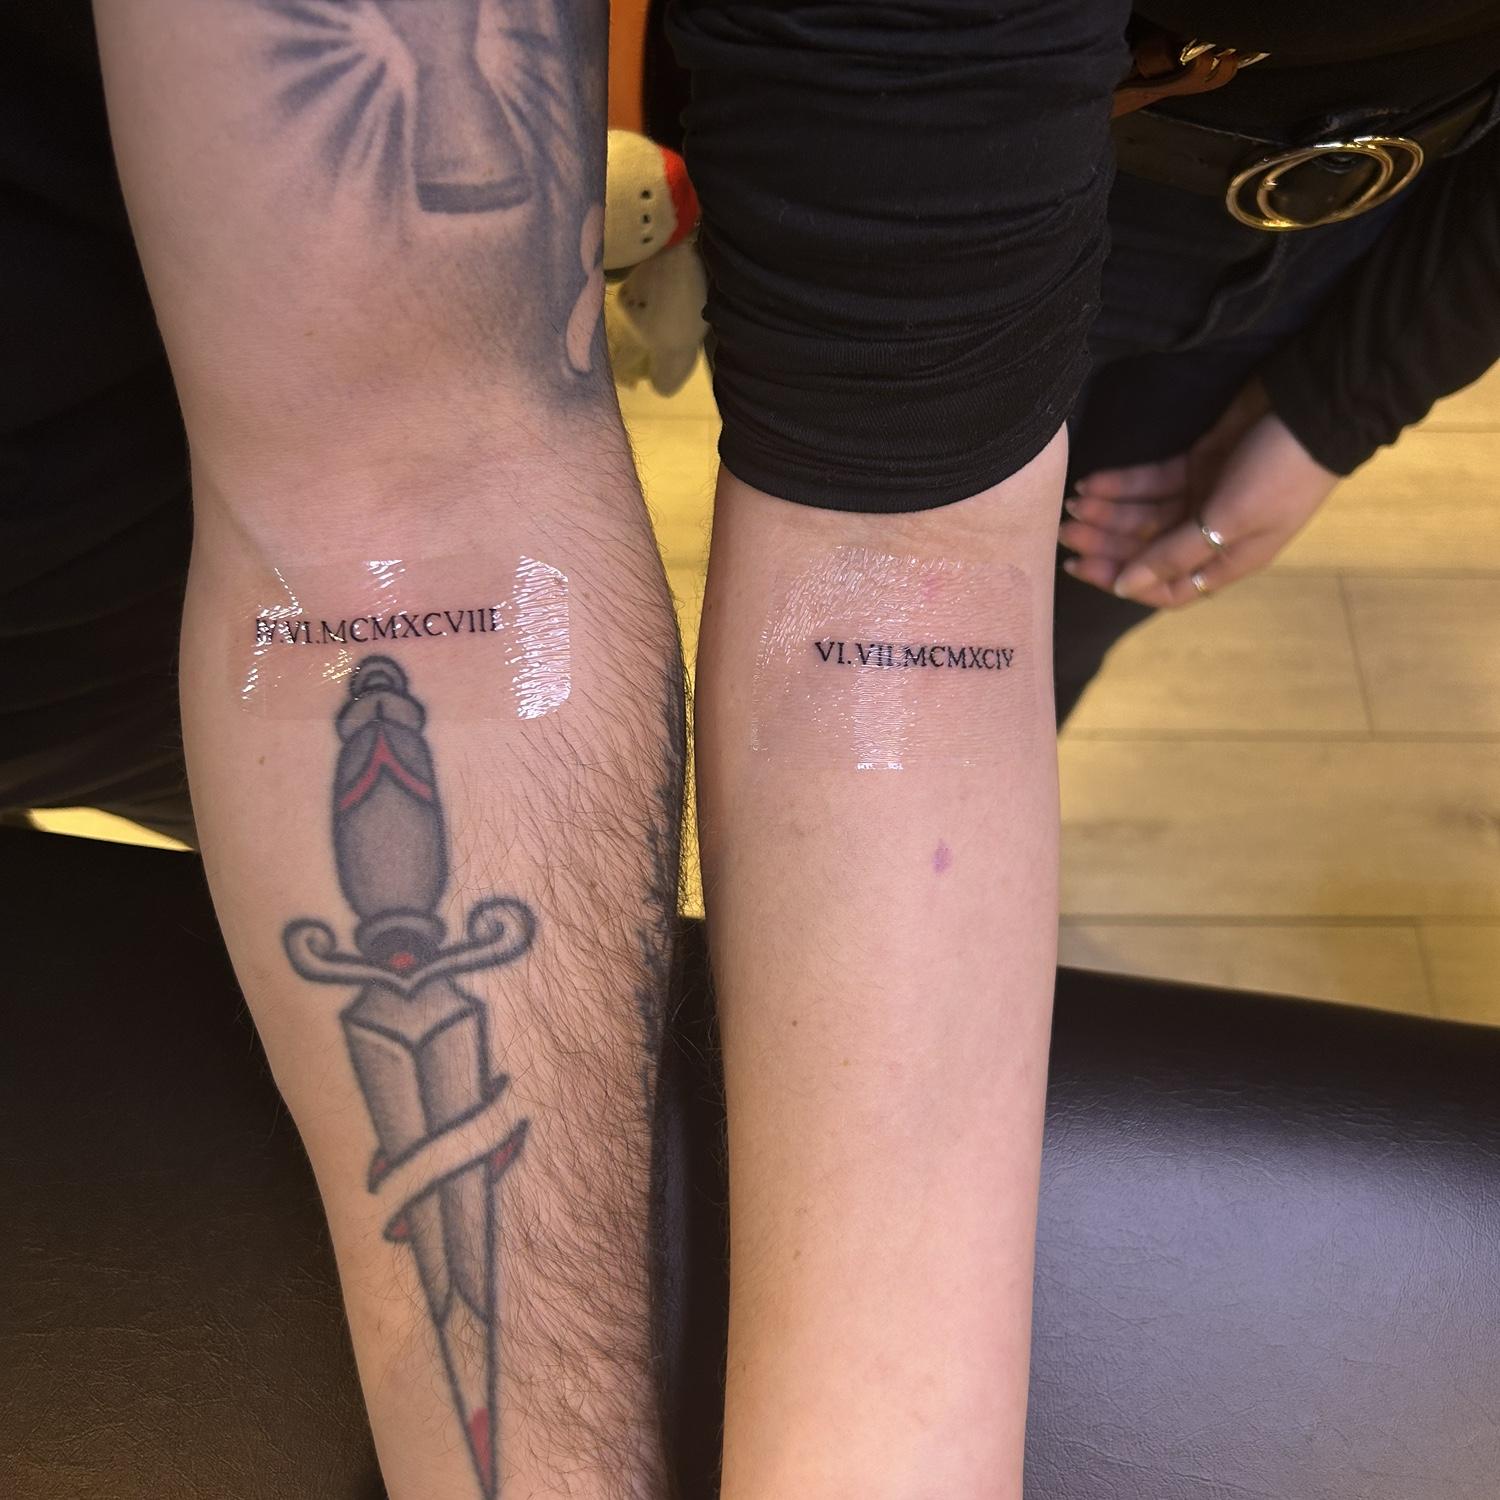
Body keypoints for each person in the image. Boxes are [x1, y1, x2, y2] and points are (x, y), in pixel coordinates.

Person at [1, 7, 1496, 1500]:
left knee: (1016, 632)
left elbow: (903, 599)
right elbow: (409, 513)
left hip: (1358, 220)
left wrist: (1350, 391)